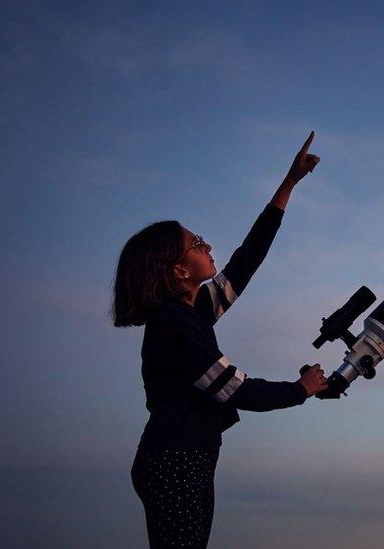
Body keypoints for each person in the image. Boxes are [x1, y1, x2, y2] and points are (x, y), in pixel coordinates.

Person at [111, 132, 328, 548]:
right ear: (178, 271)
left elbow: (247, 259)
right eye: (196, 243)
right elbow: (232, 387)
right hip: (175, 462)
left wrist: (289, 183)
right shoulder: (173, 324)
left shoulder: (193, 308)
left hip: (185, 458)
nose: (207, 244)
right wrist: (300, 390)